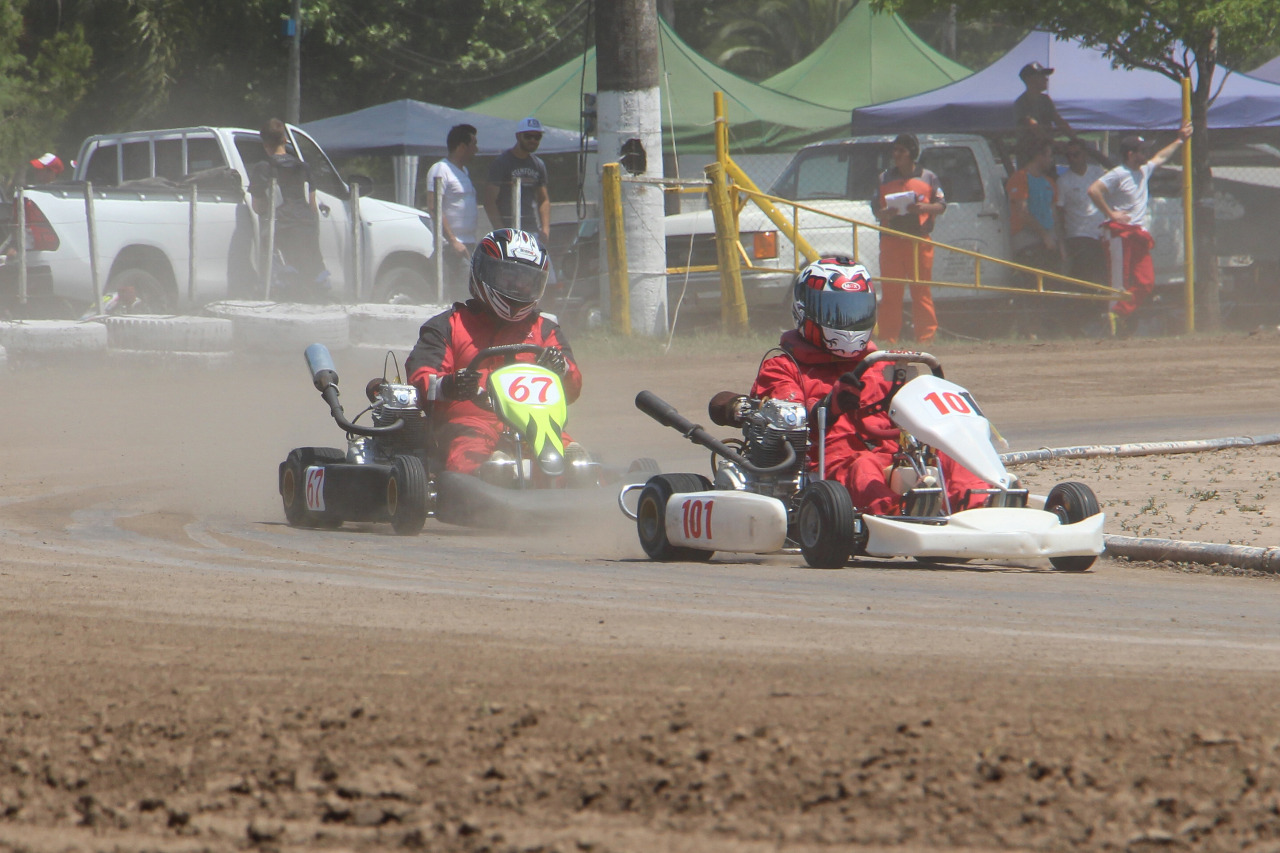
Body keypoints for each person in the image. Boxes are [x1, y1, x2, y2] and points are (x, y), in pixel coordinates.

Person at [735, 258, 989, 516]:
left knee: (948, 451)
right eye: (837, 313)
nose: (848, 323)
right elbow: (785, 423)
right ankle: (899, 513)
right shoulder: (783, 367)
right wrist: (829, 407)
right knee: (863, 465)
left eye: (856, 313)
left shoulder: (882, 365)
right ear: (805, 311)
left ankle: (982, 503)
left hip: (893, 456)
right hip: (830, 467)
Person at [406, 228, 582, 474]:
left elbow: (572, 390)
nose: (517, 287)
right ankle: (491, 477)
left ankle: (576, 476)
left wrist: (561, 368)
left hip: (536, 424)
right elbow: (421, 380)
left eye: (526, 281)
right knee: (472, 459)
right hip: (472, 423)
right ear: (483, 272)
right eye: (509, 277)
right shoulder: (449, 326)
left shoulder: (544, 329)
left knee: (575, 462)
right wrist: (451, 385)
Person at [1088, 123, 1192, 336]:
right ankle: (1114, 325)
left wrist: (1180, 140)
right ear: (1130, 154)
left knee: (1146, 281)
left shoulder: (1144, 170)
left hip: (1137, 234)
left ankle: (1118, 314)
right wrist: (1111, 213)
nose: (1146, 154)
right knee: (1119, 282)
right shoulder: (1119, 173)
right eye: (1142, 151)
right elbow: (1094, 190)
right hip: (1119, 233)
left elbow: (1161, 157)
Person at [872, 133, 946, 345]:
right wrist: (885, 213)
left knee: (921, 291)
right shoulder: (884, 178)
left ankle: (926, 337)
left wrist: (923, 207)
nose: (896, 154)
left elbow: (941, 205)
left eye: (901, 151)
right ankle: (888, 338)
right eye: (894, 150)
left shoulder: (928, 177)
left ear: (912, 153)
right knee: (891, 292)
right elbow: (876, 209)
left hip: (919, 242)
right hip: (891, 242)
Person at [247, 118, 330, 299]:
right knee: (312, 276)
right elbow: (312, 205)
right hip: (306, 230)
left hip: (280, 233)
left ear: (265, 145)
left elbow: (257, 207)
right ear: (285, 140)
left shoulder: (263, 168)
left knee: (282, 282)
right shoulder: (304, 168)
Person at [425, 124, 480, 302]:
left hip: (467, 243)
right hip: (450, 246)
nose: (476, 149)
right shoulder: (441, 169)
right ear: (462, 147)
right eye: (474, 144)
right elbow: (434, 207)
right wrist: (453, 240)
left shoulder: (464, 171)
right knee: (460, 295)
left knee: (468, 293)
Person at [484, 117, 551, 248]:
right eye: (528, 136)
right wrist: (501, 232)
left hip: (531, 230)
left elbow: (543, 199)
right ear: (518, 136)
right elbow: (489, 201)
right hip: (509, 231)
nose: (533, 140)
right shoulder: (501, 163)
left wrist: (545, 229)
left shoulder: (538, 164)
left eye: (537, 137)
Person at [1006, 134, 1063, 276]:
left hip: (1049, 242)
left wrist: (1061, 246)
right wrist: (1044, 235)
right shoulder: (1020, 178)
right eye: (1049, 156)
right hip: (1028, 240)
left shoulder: (1050, 182)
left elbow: (1054, 215)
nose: (1051, 160)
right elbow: (1022, 212)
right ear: (1039, 156)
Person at [1055, 137, 1108, 286]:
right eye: (1068, 156)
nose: (1072, 159)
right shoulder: (1063, 181)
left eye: (1076, 154)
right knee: (1086, 278)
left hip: (1101, 233)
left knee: (1104, 276)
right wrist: (1062, 241)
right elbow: (1059, 212)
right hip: (1078, 236)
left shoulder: (1097, 173)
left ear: (1084, 154)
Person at [1014, 62, 1074, 138]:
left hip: (1047, 143)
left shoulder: (1045, 99)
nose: (1046, 79)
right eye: (1041, 76)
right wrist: (1051, 142)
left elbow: (1058, 121)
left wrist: (1075, 139)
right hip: (1030, 144)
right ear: (1029, 79)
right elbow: (1033, 126)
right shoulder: (1021, 103)